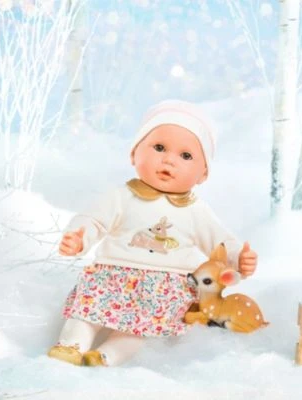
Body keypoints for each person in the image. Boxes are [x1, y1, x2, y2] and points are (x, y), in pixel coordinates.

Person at [47, 100, 258, 367]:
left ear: (203, 174)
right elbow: (94, 220)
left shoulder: (196, 211)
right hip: (112, 276)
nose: (169, 159)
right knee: (85, 314)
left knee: (136, 332)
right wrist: (79, 237)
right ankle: (69, 346)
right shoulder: (122, 197)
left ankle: (105, 356)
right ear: (134, 154)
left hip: (163, 290)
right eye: (159, 148)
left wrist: (239, 259)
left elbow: (221, 243)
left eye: (186, 156)